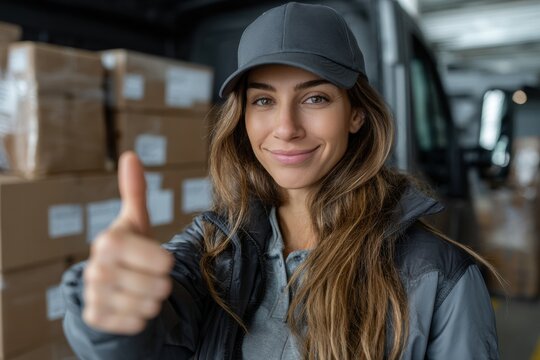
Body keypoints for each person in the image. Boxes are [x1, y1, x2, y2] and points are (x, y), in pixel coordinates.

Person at [62, 2, 500, 359]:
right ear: (242, 117)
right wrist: (106, 315)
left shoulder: (438, 275)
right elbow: (145, 336)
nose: (286, 127)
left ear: (356, 115)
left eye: (315, 97)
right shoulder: (215, 246)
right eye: (264, 100)